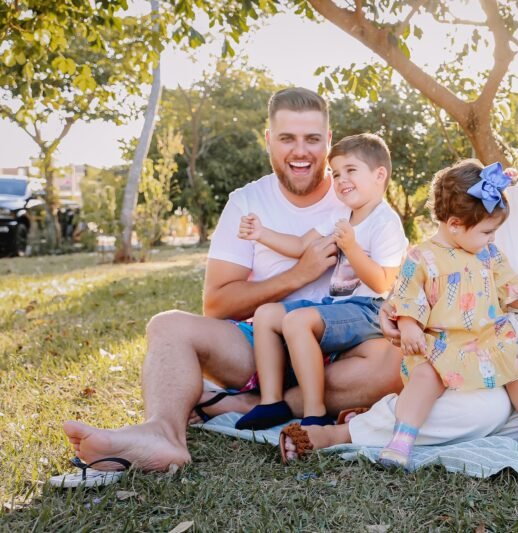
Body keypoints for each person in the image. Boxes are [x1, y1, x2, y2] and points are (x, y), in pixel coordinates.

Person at [60, 87, 404, 472]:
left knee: (397, 362)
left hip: (340, 349)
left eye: (312, 139)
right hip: (259, 343)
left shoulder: (356, 193)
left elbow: (388, 274)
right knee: (169, 326)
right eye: (287, 138)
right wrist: (299, 274)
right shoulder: (247, 201)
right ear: (269, 140)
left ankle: (248, 405)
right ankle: (162, 434)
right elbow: (218, 305)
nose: (301, 151)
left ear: (328, 141)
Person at [280, 104, 518, 462]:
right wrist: (395, 312)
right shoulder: (492, 202)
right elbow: (434, 262)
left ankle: (417, 426)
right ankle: (346, 431)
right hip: (471, 344)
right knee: (482, 408)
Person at [369, 159, 518, 468]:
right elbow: (407, 296)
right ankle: (402, 439)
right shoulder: (423, 257)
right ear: (455, 224)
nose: (492, 238)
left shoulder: (486, 252)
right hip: (442, 344)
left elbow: (505, 281)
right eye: (487, 232)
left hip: (487, 339)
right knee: (424, 377)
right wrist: (409, 327)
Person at [234, 134, 407, 431]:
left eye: (351, 170)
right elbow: (302, 245)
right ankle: (271, 401)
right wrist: (262, 234)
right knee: (266, 314)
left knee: (298, 322)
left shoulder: (385, 222)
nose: (341, 180)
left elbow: (382, 283)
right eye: (336, 173)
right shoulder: (342, 214)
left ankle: (315, 413)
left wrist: (351, 248)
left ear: (380, 175)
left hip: (370, 309)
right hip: (338, 306)